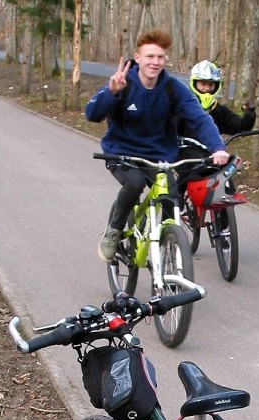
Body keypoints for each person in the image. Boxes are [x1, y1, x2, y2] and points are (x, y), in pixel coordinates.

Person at [85, 29, 230, 262]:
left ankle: (166, 245)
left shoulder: (173, 89)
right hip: (122, 153)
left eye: (160, 57)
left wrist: (217, 147)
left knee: (171, 195)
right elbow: (92, 114)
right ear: (138, 57)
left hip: (159, 156)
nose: (155, 62)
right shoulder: (123, 83)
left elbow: (200, 118)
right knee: (134, 183)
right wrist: (111, 92)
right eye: (150, 56)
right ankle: (113, 230)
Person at [175, 60, 257, 205]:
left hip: (212, 153)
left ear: (216, 87)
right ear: (194, 84)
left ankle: (225, 220)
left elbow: (238, 126)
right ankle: (177, 198)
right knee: (193, 167)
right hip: (185, 153)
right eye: (202, 84)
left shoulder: (218, 110)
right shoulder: (184, 107)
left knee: (226, 169)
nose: (206, 88)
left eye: (210, 85)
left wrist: (249, 115)